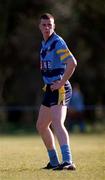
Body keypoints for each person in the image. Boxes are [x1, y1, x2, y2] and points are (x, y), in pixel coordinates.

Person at [36, 13, 77, 170]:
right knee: (41, 125)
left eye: (50, 25)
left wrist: (61, 82)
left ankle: (68, 161)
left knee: (58, 123)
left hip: (60, 88)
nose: (47, 27)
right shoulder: (44, 44)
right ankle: (53, 161)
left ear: (54, 26)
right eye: (44, 25)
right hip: (50, 89)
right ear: (39, 27)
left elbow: (72, 63)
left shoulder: (57, 42)